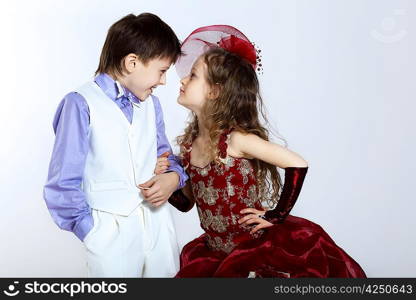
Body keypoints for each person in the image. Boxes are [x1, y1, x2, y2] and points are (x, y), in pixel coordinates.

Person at [165, 25, 366, 277]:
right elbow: (187, 203)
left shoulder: (237, 140)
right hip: (214, 254)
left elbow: (297, 163)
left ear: (215, 91)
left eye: (193, 75)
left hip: (252, 251)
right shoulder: (189, 145)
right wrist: (164, 183)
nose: (182, 80)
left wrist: (277, 215)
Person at [43, 13, 188, 277]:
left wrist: (173, 178)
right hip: (111, 235)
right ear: (132, 62)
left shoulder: (151, 105)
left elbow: (166, 156)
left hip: (158, 228)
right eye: (162, 71)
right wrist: (92, 231)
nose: (164, 81)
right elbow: (62, 182)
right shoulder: (80, 103)